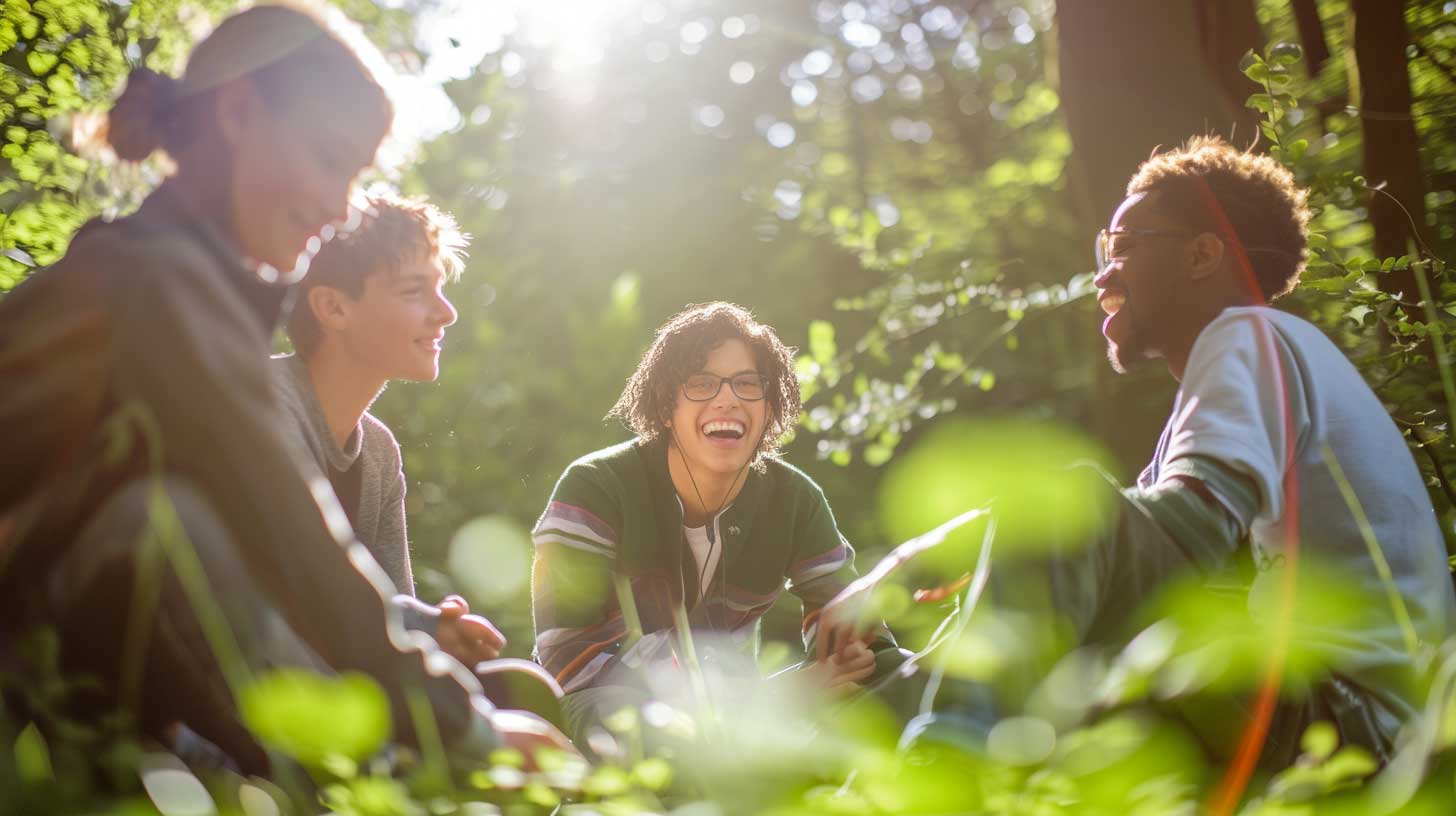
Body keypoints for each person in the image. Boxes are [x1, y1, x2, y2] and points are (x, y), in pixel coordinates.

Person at [0, 4, 568, 774]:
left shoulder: (175, 282)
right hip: (51, 668)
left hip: (91, 657)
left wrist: (426, 651)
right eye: (330, 159)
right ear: (238, 114)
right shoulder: (154, 286)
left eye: (357, 175)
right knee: (172, 526)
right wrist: (463, 731)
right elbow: (284, 533)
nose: (340, 207)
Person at [818, 136, 1455, 768]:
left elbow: (1151, 529)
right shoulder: (1243, 377)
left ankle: (946, 776)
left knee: (1071, 524)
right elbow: (1117, 544)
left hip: (1355, 720)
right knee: (979, 651)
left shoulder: (1251, 334)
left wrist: (905, 564)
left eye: (1122, 248)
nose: (1102, 273)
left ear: (1203, 254)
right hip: (1342, 718)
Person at [530, 302, 906, 743]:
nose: (726, 398)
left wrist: (853, 654)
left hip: (740, 707)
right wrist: (765, 700)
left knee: (898, 672)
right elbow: (571, 657)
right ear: (666, 406)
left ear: (769, 408)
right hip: (611, 706)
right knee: (636, 722)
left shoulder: (796, 499)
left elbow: (850, 624)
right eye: (701, 383)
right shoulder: (595, 487)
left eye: (748, 384)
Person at [273, 193, 561, 711]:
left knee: (526, 692)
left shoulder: (378, 452)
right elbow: (285, 601)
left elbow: (388, 611)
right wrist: (420, 623)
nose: (446, 312)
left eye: (441, 289)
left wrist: (440, 631)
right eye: (415, 291)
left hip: (352, 679)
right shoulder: (266, 408)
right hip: (276, 686)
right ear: (334, 306)